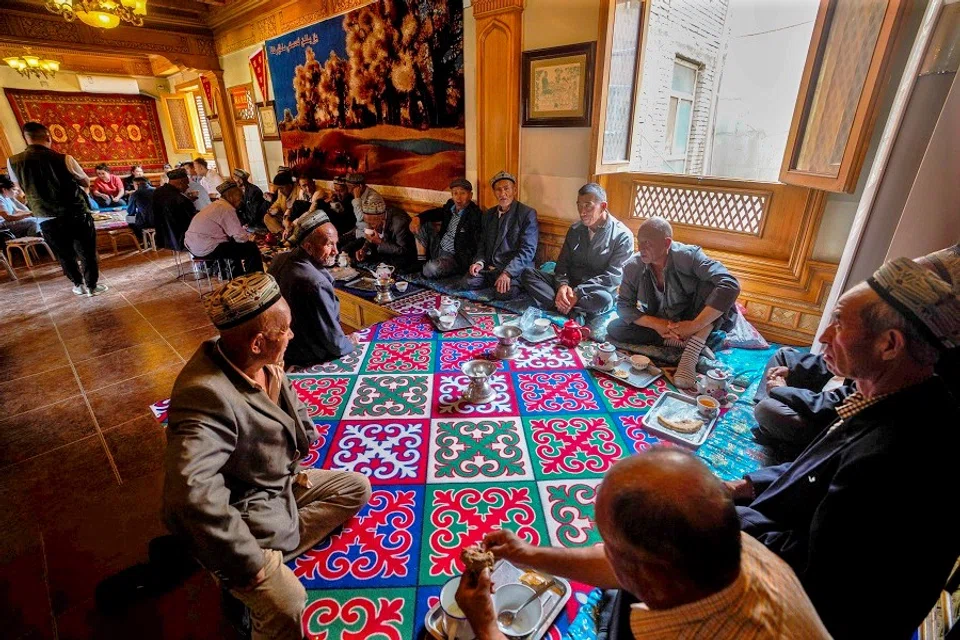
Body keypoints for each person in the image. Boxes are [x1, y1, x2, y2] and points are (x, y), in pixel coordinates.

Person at [725, 258, 960, 639]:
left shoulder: (895, 457)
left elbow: (816, 581)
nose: (823, 337)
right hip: (800, 548)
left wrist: (723, 518)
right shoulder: (893, 394)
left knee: (661, 540)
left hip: (813, 615)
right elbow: (813, 468)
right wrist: (744, 486)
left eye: (839, 323)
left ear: (889, 344)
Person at [163, 272, 371, 640]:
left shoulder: (251, 354)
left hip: (280, 482)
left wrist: (306, 433)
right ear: (258, 342)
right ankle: (237, 571)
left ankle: (276, 545)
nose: (291, 335)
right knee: (288, 601)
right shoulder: (204, 397)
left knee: (356, 488)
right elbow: (190, 495)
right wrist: (250, 565)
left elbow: (288, 401)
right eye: (286, 330)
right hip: (243, 502)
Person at [456, 449, 830, 640]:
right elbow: (618, 563)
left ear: (643, 573)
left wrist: (486, 625)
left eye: (608, 542)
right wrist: (526, 555)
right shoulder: (733, 544)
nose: (604, 550)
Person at [607, 217, 740, 389]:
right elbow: (624, 306)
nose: (642, 249)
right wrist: (657, 324)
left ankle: (692, 348)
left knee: (714, 285)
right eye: (639, 243)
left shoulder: (689, 257)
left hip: (694, 318)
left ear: (667, 243)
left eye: (648, 244)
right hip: (665, 321)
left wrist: (693, 325)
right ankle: (681, 341)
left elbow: (731, 285)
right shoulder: (634, 265)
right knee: (615, 328)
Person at [6, 122, 106, 296]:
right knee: (86, 251)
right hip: (75, 212)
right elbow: (85, 182)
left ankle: (78, 285)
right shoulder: (64, 158)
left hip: (45, 216)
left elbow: (18, 188)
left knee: (64, 254)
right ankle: (92, 286)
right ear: (48, 137)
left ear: (26, 139)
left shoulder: (13, 162)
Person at [521, 183, 633, 324]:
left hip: (593, 291)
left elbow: (613, 277)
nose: (582, 212)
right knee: (527, 273)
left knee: (605, 299)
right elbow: (562, 265)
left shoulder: (622, 235)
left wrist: (578, 293)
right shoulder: (575, 229)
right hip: (570, 286)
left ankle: (560, 305)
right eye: (579, 205)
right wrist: (562, 286)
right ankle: (571, 309)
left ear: (603, 206)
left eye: (588, 205)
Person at [268, 211, 356, 367]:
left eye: (336, 243)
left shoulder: (279, 259)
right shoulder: (315, 283)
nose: (335, 251)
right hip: (306, 356)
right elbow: (335, 343)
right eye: (329, 244)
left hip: (282, 347)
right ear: (308, 247)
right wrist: (349, 343)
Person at [751, 349, 851, 461]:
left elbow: (829, 405)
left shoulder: (871, 383)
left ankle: (768, 423)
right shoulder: (860, 352)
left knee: (766, 408)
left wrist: (782, 390)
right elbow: (824, 363)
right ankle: (766, 420)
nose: (823, 338)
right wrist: (791, 370)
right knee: (782, 355)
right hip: (822, 398)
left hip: (827, 422)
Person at [465, 171, 539, 300]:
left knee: (504, 293)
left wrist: (508, 273)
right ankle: (495, 282)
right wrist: (479, 263)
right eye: (498, 190)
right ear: (494, 193)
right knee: (467, 283)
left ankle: (510, 283)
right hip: (491, 268)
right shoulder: (489, 214)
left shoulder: (527, 213)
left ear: (514, 190)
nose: (503, 194)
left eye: (506, 189)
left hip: (513, 270)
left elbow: (528, 250)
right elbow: (482, 243)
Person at [184, 180, 263, 275]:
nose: (241, 200)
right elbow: (240, 236)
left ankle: (237, 275)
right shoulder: (226, 208)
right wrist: (250, 238)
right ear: (231, 196)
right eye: (240, 197)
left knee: (234, 247)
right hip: (206, 247)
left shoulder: (217, 205)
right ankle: (255, 278)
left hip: (192, 245)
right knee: (251, 248)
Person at [415, 178, 483, 279]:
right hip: (438, 247)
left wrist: (467, 262)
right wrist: (418, 218)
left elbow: (476, 243)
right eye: (455, 193)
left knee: (430, 269)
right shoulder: (450, 205)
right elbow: (436, 213)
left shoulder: (474, 215)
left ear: (470, 195)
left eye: (463, 193)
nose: (458, 198)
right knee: (421, 224)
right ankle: (421, 262)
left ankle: (430, 267)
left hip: (452, 257)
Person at [340, 189, 417, 271]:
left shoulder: (400, 223)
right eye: (367, 223)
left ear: (382, 220)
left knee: (399, 264)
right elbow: (370, 237)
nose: (368, 226)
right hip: (384, 246)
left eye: (372, 224)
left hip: (403, 252)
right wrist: (364, 249)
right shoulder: (372, 221)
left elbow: (403, 250)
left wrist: (380, 242)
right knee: (351, 249)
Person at [152, 167, 196, 251]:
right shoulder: (180, 199)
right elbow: (192, 219)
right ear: (180, 182)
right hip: (181, 238)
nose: (187, 187)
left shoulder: (157, 192)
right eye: (186, 183)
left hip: (164, 237)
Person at [314, 176, 357, 246]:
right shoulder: (335, 197)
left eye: (341, 191)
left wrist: (327, 205)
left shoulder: (351, 201)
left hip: (343, 230)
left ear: (348, 189)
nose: (338, 194)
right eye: (336, 190)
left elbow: (341, 220)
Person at [0, 174, 41, 238]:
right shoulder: (0, 198)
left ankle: (33, 245)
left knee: (38, 219)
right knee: (33, 221)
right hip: (2, 226)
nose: (15, 191)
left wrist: (33, 212)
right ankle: (34, 245)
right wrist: (30, 214)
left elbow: (17, 212)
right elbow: (8, 217)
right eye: (13, 189)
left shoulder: (6, 197)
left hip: (7, 223)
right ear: (4, 189)